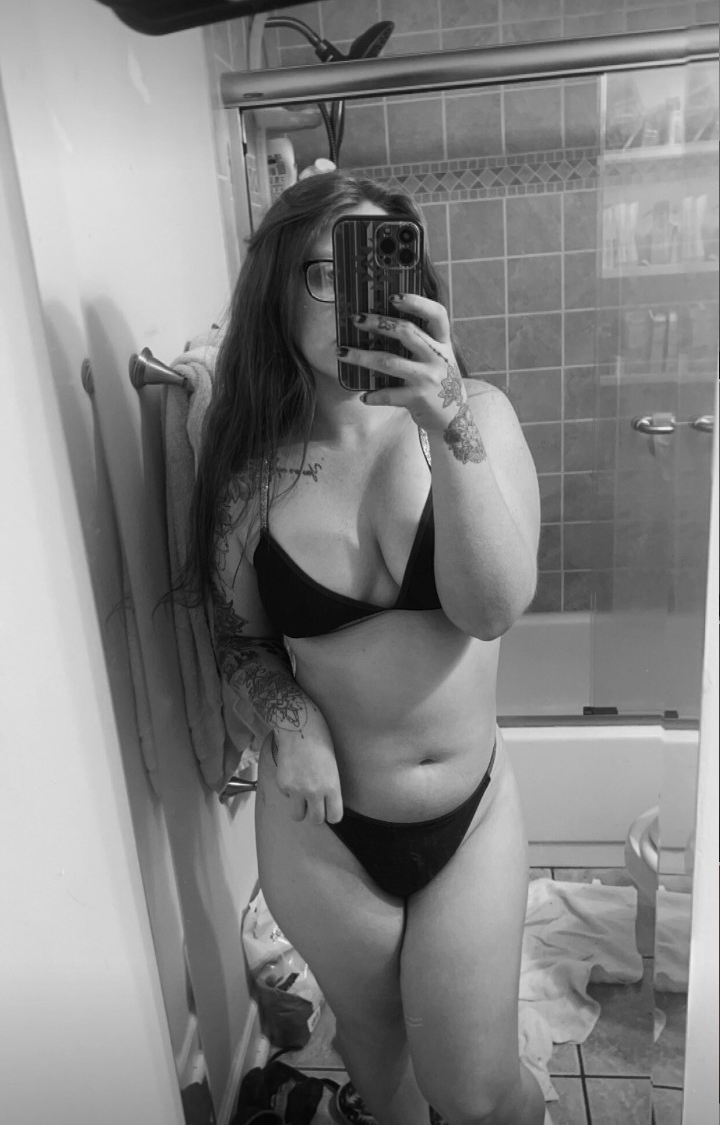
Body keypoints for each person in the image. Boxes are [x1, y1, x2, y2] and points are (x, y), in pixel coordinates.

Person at [186, 171, 544, 1125]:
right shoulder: (248, 475)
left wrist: (445, 420)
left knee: (477, 1088)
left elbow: (494, 608)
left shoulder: (480, 416)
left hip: (469, 814)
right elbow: (237, 639)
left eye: (380, 265)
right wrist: (289, 718)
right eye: (325, 272)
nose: (353, 296)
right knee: (382, 1063)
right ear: (277, 287)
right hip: (324, 835)